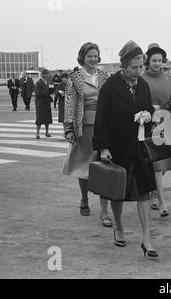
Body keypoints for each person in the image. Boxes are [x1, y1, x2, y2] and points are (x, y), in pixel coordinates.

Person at [93, 40, 158, 257]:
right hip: (117, 146)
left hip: (139, 146)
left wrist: (149, 115)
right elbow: (101, 118)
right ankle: (119, 227)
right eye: (134, 68)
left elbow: (148, 108)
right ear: (124, 65)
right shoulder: (111, 87)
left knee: (144, 192)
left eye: (141, 67)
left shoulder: (144, 85)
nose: (138, 72)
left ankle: (146, 238)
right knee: (117, 192)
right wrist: (102, 147)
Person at [62, 42, 111, 227]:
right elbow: (69, 104)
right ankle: (84, 199)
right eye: (89, 55)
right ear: (82, 57)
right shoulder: (74, 78)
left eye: (95, 55)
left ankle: (105, 211)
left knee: (105, 166)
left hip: (104, 126)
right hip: (84, 127)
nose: (93, 58)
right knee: (84, 166)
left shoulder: (105, 76)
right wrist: (69, 129)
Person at [141, 44, 171, 217]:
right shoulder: (141, 78)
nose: (157, 63)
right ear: (147, 61)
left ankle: (154, 191)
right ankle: (160, 200)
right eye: (154, 60)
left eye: (160, 60)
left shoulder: (170, 79)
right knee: (155, 163)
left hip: (166, 121)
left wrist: (166, 106)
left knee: (165, 161)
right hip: (148, 124)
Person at [34, 69, 53, 139]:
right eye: (47, 74)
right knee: (39, 118)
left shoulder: (46, 82)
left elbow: (46, 92)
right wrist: (48, 91)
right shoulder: (38, 82)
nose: (48, 76)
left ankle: (47, 132)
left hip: (46, 102)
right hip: (40, 103)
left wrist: (50, 91)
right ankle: (37, 133)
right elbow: (38, 93)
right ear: (43, 74)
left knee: (47, 118)